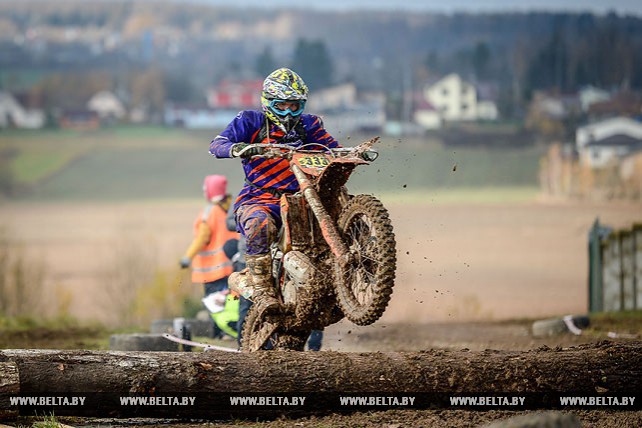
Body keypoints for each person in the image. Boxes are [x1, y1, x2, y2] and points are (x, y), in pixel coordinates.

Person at [209, 67, 341, 313]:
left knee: (339, 208)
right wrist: (240, 148)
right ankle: (263, 291)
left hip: (303, 199)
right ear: (268, 102)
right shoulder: (251, 121)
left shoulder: (309, 124)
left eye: (295, 106)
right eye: (282, 105)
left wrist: (350, 153)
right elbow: (217, 144)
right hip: (261, 197)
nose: (289, 112)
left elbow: (333, 147)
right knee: (260, 223)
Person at [179, 174, 240, 339]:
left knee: (213, 303)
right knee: (231, 301)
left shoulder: (209, 212)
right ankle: (232, 331)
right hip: (231, 265)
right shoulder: (232, 207)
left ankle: (219, 334)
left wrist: (187, 257)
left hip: (210, 271)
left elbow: (202, 238)